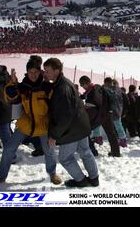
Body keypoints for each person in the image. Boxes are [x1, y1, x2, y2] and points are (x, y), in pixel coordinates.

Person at [0, 56, 62, 186]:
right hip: (26, 122)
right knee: (8, 148)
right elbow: (12, 99)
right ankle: (0, 176)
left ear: (40, 72)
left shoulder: (46, 86)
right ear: (27, 72)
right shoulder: (22, 86)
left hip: (43, 123)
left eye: (36, 72)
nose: (33, 75)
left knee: (49, 150)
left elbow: (55, 104)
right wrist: (12, 84)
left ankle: (52, 173)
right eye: (31, 72)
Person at [44, 58, 99, 188]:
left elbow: (65, 116)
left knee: (65, 158)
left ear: (57, 70)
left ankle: (80, 180)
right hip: (81, 126)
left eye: (47, 71)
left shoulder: (62, 88)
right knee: (85, 152)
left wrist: (54, 135)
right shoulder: (64, 82)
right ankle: (94, 178)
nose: (45, 74)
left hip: (71, 130)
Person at [79, 76, 120, 157]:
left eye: (82, 85)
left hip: (99, 115)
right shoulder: (95, 89)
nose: (82, 87)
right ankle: (116, 152)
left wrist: (86, 106)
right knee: (111, 133)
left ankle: (93, 151)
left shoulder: (93, 90)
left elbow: (94, 104)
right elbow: (85, 96)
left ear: (85, 83)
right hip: (107, 114)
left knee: (85, 130)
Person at [103, 78, 127, 148]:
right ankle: (123, 140)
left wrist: (106, 89)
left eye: (105, 83)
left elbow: (112, 98)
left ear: (107, 83)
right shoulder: (118, 89)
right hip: (118, 110)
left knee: (117, 126)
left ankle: (122, 141)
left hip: (114, 111)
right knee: (119, 126)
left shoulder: (111, 90)